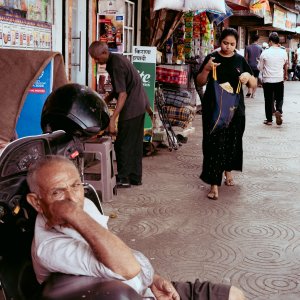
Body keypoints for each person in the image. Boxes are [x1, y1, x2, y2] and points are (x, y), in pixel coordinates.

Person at [26, 155, 246, 300]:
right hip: (128, 294)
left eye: (75, 185)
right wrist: (73, 213)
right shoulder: (49, 248)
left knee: (235, 295)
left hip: (147, 288)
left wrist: (152, 278)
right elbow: (126, 268)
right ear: (36, 202)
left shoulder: (86, 204)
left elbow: (117, 249)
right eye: (57, 193)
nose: (72, 198)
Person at [196, 28, 256, 200]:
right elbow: (200, 81)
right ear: (219, 41)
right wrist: (207, 69)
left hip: (235, 110)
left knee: (232, 141)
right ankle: (214, 184)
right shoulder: (212, 58)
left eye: (232, 44)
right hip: (214, 109)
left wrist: (248, 77)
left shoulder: (240, 60)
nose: (228, 47)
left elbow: (253, 83)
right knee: (214, 145)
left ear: (236, 45)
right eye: (225, 43)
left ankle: (228, 171)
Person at [88, 41, 153, 188]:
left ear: (105, 53)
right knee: (135, 144)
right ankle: (135, 177)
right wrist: (105, 100)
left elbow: (122, 94)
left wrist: (112, 119)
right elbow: (119, 88)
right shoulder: (116, 59)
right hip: (140, 104)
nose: (96, 61)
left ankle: (123, 178)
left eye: (97, 58)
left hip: (132, 106)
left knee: (122, 144)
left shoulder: (115, 64)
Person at [258, 32, 288, 126]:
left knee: (268, 99)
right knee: (279, 97)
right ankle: (278, 110)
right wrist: (285, 75)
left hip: (267, 80)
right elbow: (285, 65)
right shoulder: (283, 52)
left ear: (270, 41)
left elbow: (260, 68)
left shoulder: (265, 52)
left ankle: (269, 120)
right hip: (279, 78)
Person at [244, 34, 262, 98]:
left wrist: (245, 66)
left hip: (250, 66)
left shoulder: (248, 47)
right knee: (256, 79)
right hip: (257, 66)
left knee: (249, 79)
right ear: (257, 40)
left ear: (251, 39)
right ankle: (253, 94)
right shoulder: (260, 48)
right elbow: (261, 58)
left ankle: (249, 91)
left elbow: (246, 58)